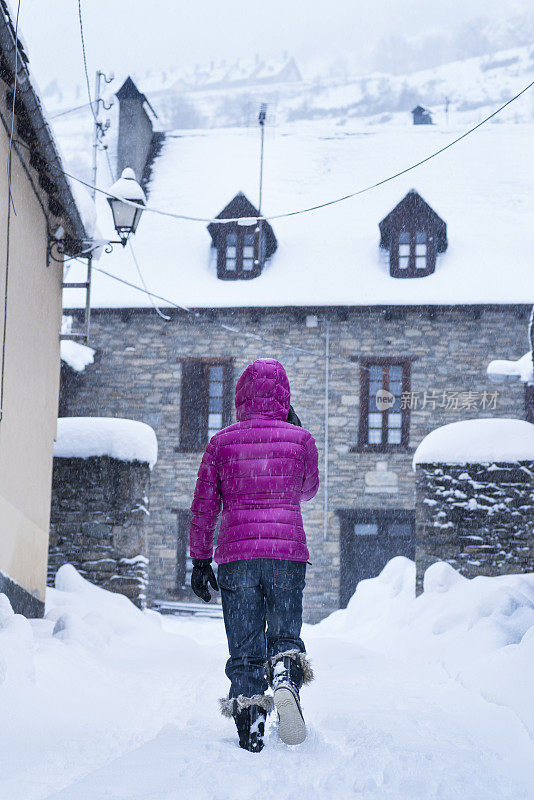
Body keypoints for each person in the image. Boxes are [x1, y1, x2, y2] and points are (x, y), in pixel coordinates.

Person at [189, 358, 319, 752]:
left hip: (237, 556)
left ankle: (252, 725)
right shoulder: (301, 439)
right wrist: (292, 432)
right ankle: (283, 677)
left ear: (241, 395)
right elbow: (308, 489)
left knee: (245, 644)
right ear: (285, 395)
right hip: (286, 553)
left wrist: (199, 559)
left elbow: (204, 505)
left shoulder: (221, 442)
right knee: (283, 634)